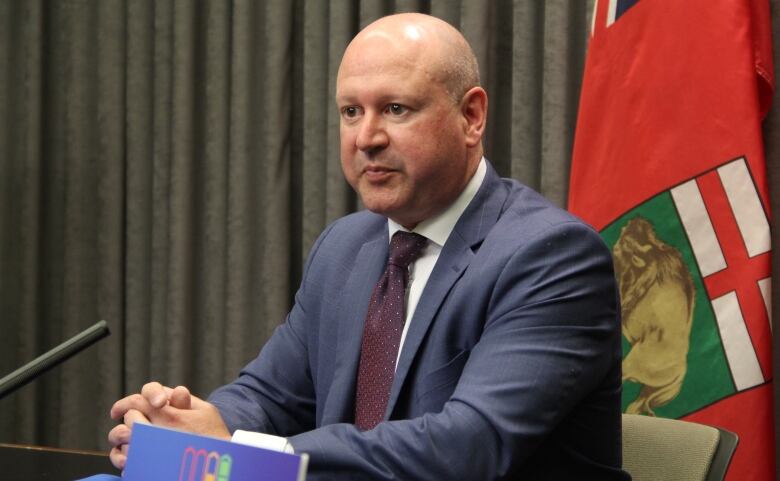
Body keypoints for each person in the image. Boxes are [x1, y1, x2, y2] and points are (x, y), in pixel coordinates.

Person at [109, 13, 629, 480]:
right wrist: (189, 427)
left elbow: (468, 448)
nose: (366, 137)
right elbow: (270, 396)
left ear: (471, 117)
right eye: (351, 111)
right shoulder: (344, 247)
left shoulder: (552, 256)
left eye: (396, 109)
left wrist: (242, 453)